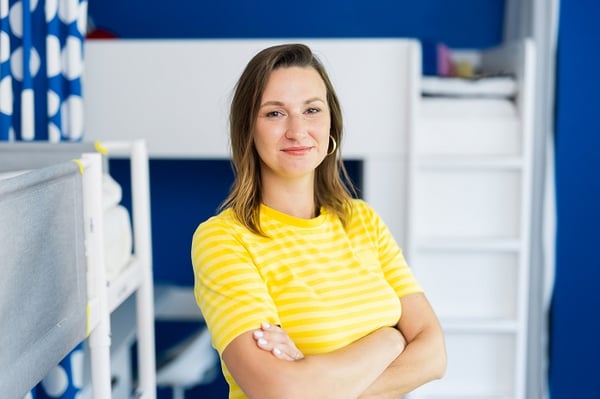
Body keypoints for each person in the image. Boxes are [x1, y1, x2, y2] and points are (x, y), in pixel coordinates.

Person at [191, 43, 447, 399]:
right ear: (248, 128)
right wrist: (390, 339)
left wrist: (315, 381)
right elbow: (279, 391)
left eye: (311, 109)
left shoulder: (362, 220)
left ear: (331, 125)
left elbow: (434, 355)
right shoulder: (224, 239)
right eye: (274, 114)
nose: (297, 130)